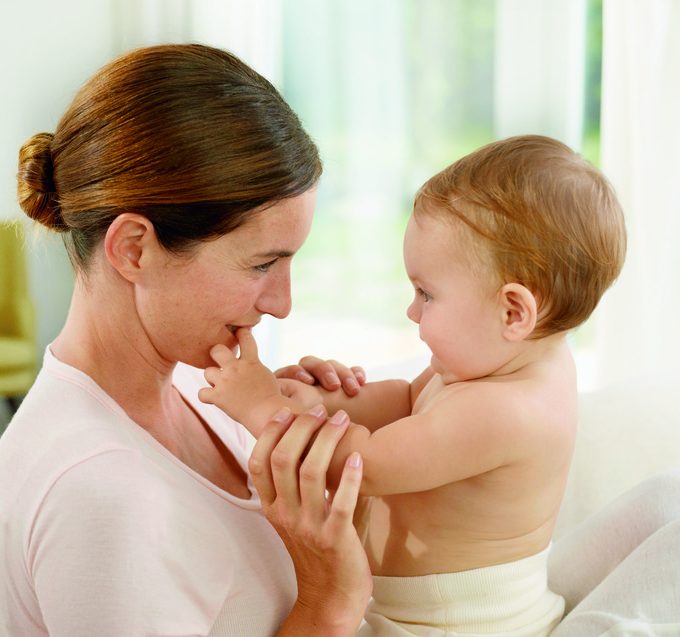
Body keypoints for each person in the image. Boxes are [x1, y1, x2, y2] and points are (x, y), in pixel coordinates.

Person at [0, 43, 373, 636]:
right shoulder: (100, 490)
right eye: (262, 264)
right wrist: (329, 602)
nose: (282, 303)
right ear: (134, 249)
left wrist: (334, 470)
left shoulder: (206, 391)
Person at [198, 135, 628, 636]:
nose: (411, 311)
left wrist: (261, 408)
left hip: (457, 627)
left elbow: (366, 465)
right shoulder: (497, 360)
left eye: (426, 294)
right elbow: (407, 401)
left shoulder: (507, 411)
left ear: (513, 312)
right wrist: (320, 401)